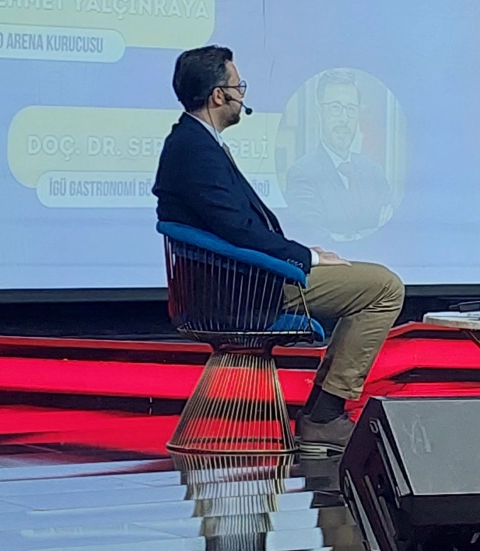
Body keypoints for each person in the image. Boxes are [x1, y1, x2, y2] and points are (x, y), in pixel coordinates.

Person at [154, 46, 406, 453]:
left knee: (369, 282)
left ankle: (323, 413)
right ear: (218, 95)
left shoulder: (193, 141)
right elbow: (239, 231)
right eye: (238, 87)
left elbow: (238, 229)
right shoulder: (194, 148)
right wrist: (306, 258)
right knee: (384, 287)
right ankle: (324, 416)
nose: (242, 96)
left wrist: (303, 253)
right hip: (242, 290)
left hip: (244, 280)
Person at [284, 70, 396, 242]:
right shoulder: (301, 173)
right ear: (320, 112)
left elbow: (393, 229)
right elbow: (316, 236)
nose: (344, 119)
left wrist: (346, 236)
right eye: (336, 107)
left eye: (351, 109)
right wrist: (367, 233)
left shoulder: (374, 171)